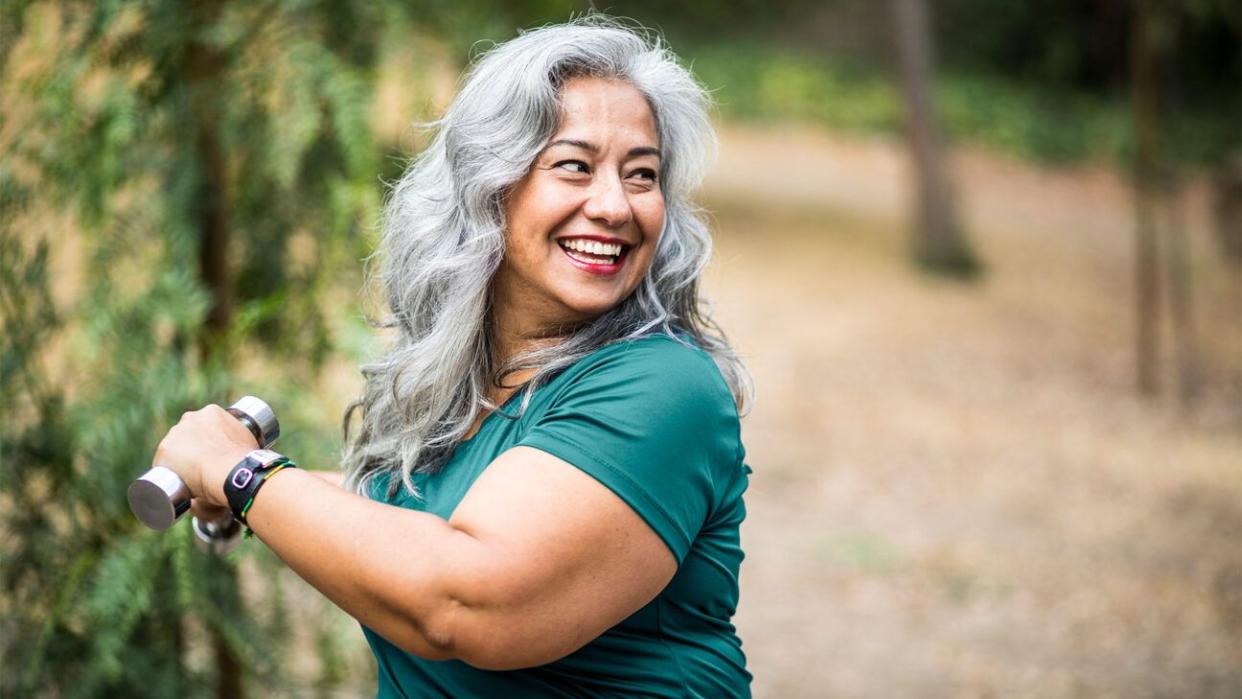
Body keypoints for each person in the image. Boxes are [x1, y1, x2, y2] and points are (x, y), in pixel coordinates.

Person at [153, 16, 754, 697]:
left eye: (641, 175)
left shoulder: (664, 385)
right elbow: (411, 515)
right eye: (574, 166)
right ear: (487, 186)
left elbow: (465, 601)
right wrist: (240, 489)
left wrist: (242, 472)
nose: (615, 205)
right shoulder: (474, 383)